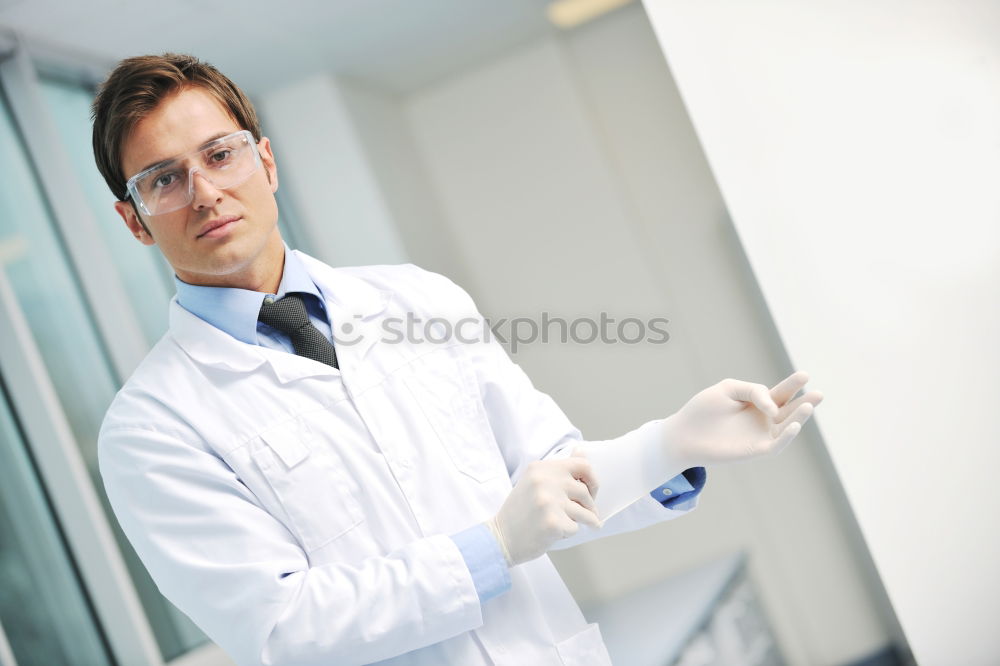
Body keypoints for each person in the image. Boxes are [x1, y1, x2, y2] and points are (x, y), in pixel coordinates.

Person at [93, 53, 822, 666]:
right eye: (164, 179)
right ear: (134, 221)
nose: (206, 192)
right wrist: (495, 546)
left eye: (221, 154)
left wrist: (670, 446)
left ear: (267, 161)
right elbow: (284, 629)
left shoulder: (417, 300)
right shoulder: (153, 429)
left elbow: (548, 475)